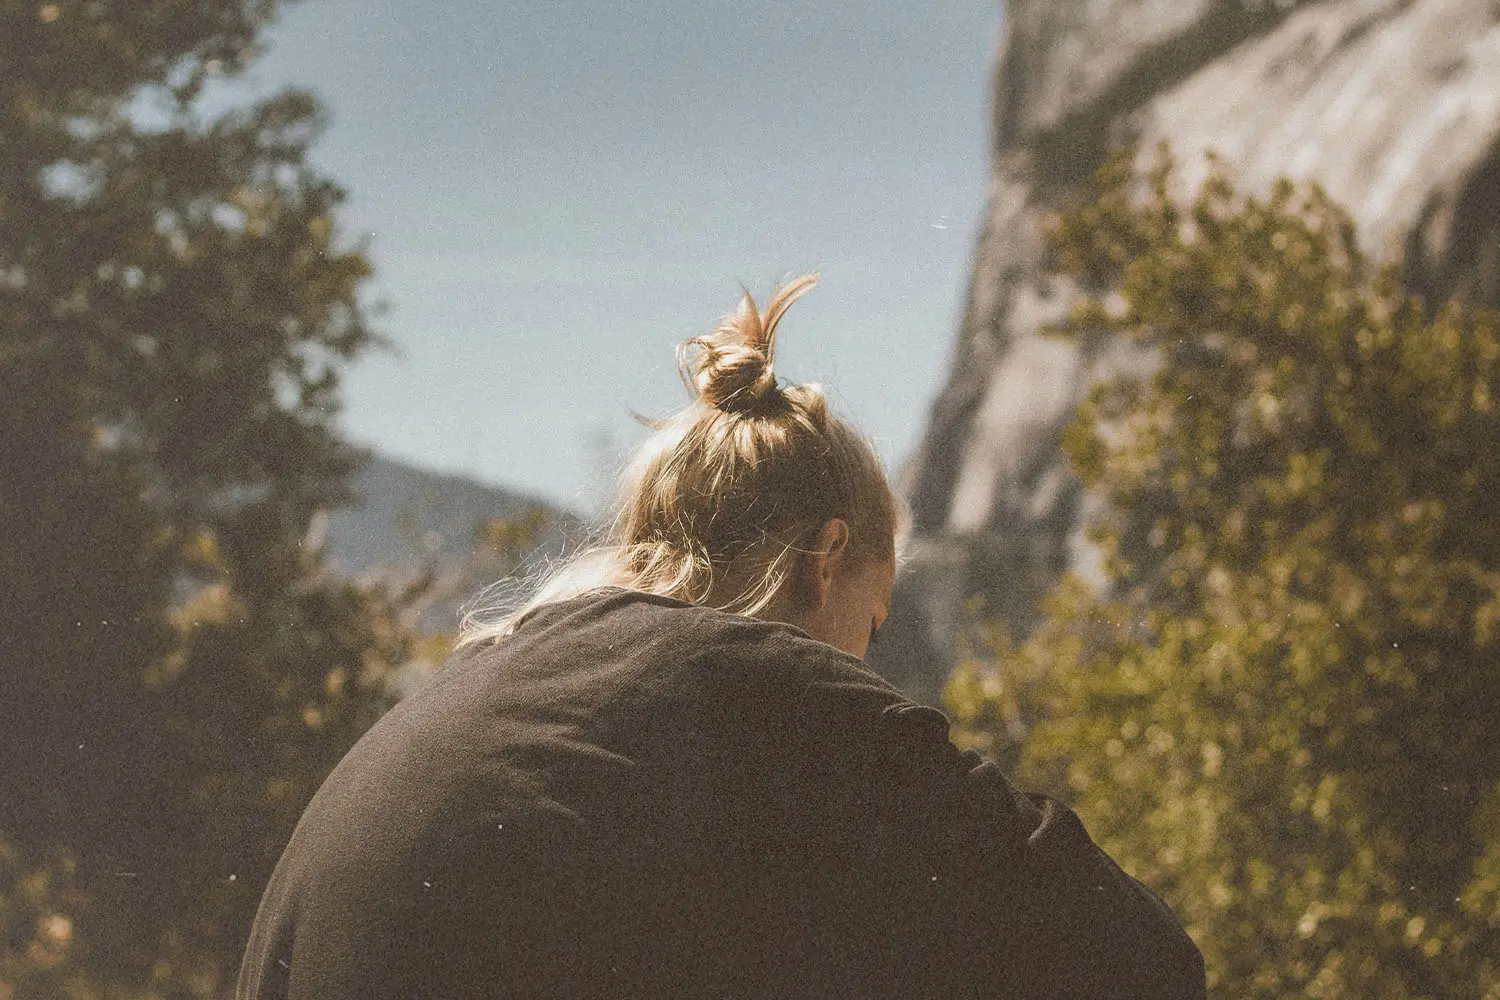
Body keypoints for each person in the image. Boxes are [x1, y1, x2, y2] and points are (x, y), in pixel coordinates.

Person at [237, 275, 1206, 999]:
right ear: (825, 561)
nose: (858, 665)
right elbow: (1140, 963)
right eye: (866, 627)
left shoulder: (478, 693)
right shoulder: (764, 687)